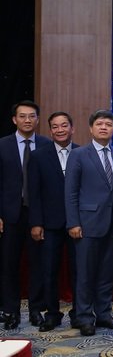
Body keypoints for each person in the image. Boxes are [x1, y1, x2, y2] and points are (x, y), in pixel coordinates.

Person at [64, 109, 113, 336]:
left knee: (107, 273)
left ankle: (104, 314)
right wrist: (73, 222)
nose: (104, 127)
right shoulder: (79, 154)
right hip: (86, 224)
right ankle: (84, 317)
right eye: (99, 124)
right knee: (85, 274)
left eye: (108, 124)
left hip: (112, 223)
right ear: (91, 128)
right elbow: (70, 192)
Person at [0, 100, 51, 329]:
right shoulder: (2, 145)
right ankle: (10, 310)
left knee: (37, 264)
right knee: (8, 264)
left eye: (32, 116)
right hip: (10, 215)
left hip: (38, 214)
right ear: (14, 119)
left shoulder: (46, 145)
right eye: (22, 116)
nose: (27, 120)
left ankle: (36, 310)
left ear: (37, 119)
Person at [27, 111, 78, 331]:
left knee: (79, 271)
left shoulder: (82, 153)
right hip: (49, 224)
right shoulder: (38, 156)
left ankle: (79, 313)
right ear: (50, 131)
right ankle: (52, 314)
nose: (60, 130)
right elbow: (34, 193)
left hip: (77, 223)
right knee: (48, 271)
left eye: (64, 125)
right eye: (55, 126)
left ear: (72, 128)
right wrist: (36, 223)